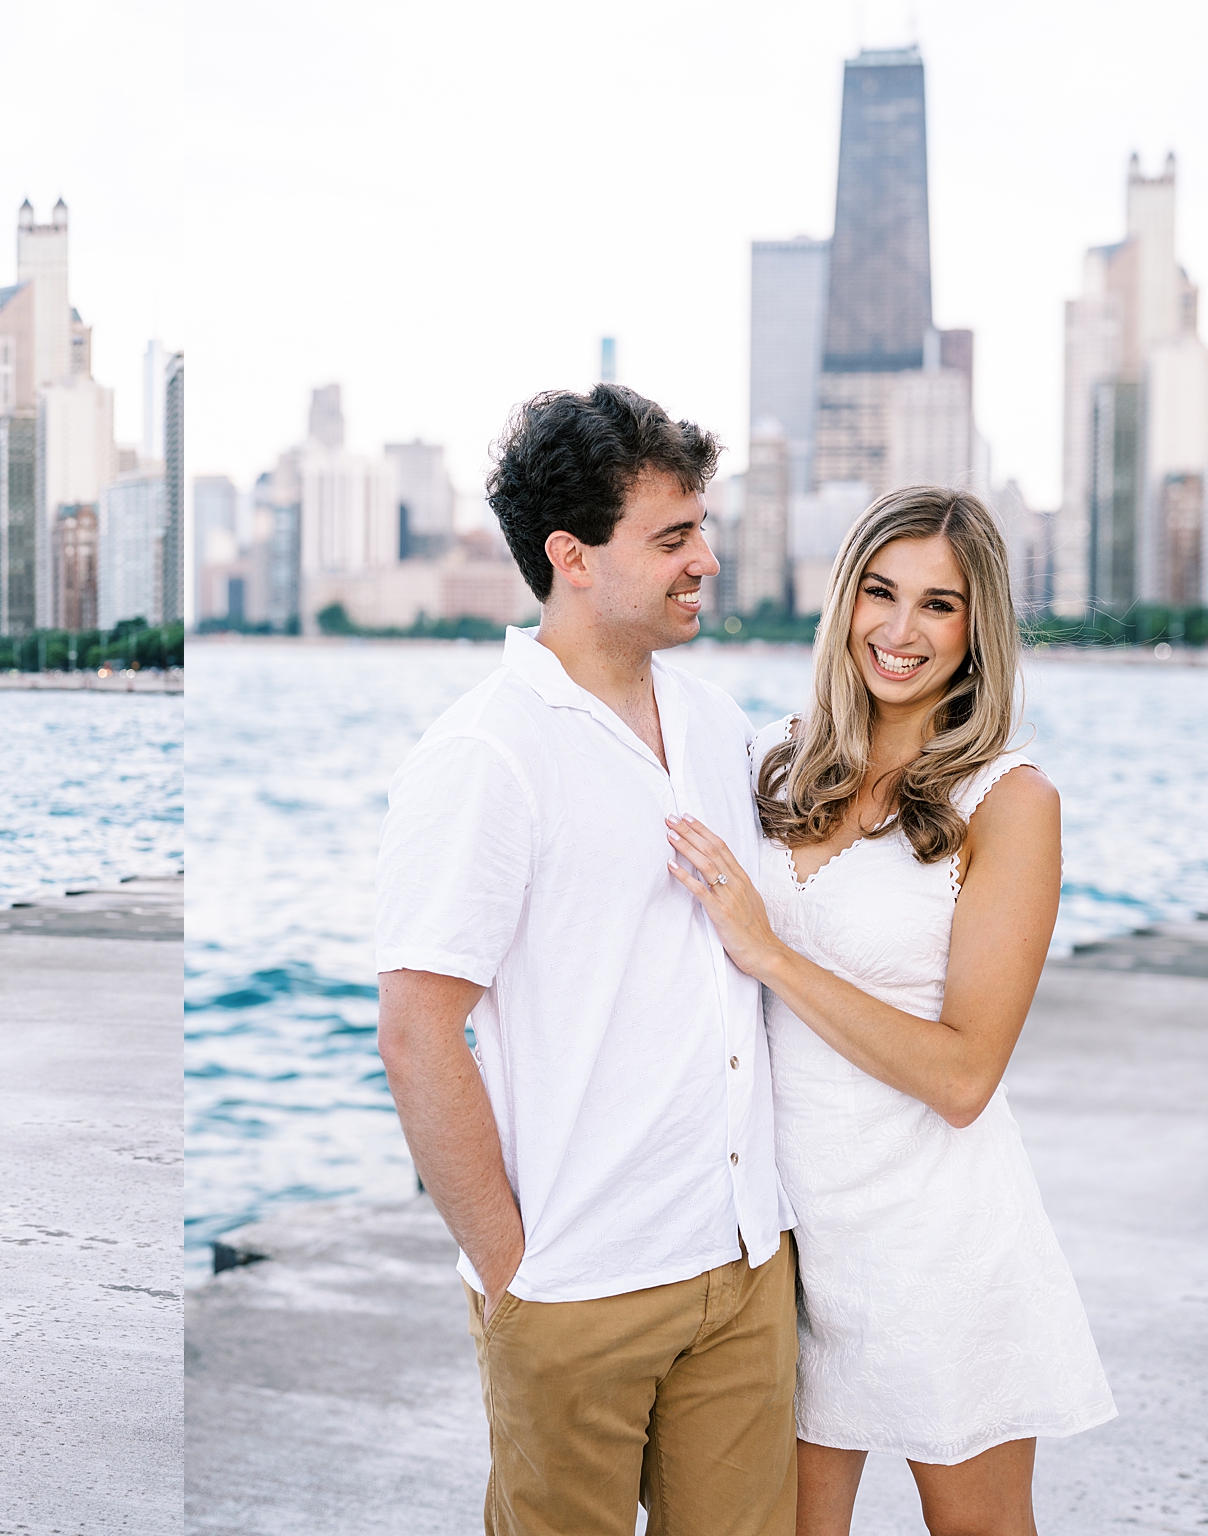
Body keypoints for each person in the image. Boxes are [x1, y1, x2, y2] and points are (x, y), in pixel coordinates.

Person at [376, 385, 797, 1536]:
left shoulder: (714, 721)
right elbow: (417, 1034)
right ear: (570, 556)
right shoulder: (484, 754)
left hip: (744, 1265)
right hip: (574, 1287)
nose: (704, 559)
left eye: (699, 529)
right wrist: (516, 1279)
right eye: (670, 538)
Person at [660, 487, 1115, 1536]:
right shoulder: (770, 759)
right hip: (778, 1242)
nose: (899, 631)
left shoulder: (1007, 800)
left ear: (975, 629)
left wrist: (767, 952)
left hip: (933, 1239)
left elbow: (963, 1080)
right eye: (878, 592)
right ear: (842, 601)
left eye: (937, 606)